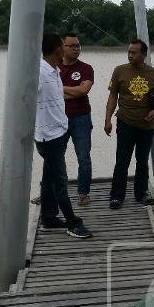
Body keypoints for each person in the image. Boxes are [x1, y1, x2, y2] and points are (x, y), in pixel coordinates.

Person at [35, 34, 93, 238]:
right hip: (47, 136)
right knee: (60, 180)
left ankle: (49, 217)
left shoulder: (55, 70)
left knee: (49, 175)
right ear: (58, 50)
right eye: (66, 46)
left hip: (58, 132)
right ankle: (72, 223)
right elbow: (25, 96)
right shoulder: (40, 72)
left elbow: (67, 94)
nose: (72, 50)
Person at [105, 38, 154, 209]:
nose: (130, 55)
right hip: (125, 121)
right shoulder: (119, 71)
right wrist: (108, 119)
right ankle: (117, 196)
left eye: (134, 52)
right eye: (129, 52)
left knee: (142, 161)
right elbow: (113, 96)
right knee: (122, 160)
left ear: (143, 54)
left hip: (146, 125)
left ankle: (141, 194)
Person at [59, 33, 94, 205]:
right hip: (58, 120)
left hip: (81, 118)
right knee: (56, 158)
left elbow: (83, 91)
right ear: (62, 48)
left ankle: (83, 193)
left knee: (84, 157)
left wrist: (58, 89)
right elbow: (44, 92)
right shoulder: (53, 68)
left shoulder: (86, 68)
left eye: (78, 45)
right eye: (71, 46)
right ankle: (53, 193)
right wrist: (72, 91)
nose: (76, 49)